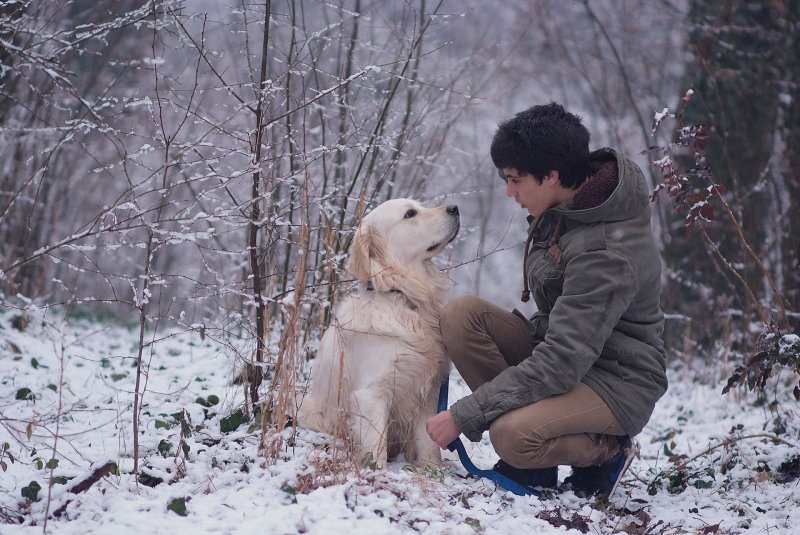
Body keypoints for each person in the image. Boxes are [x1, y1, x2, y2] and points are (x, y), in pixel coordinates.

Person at [425, 102, 668, 496]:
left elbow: (560, 363)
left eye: (516, 180)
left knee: (511, 435)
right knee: (461, 316)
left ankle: (607, 451)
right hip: (569, 354)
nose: (509, 192)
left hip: (616, 381)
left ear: (551, 175)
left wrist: (463, 415)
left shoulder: (603, 251)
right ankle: (535, 464)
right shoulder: (569, 204)